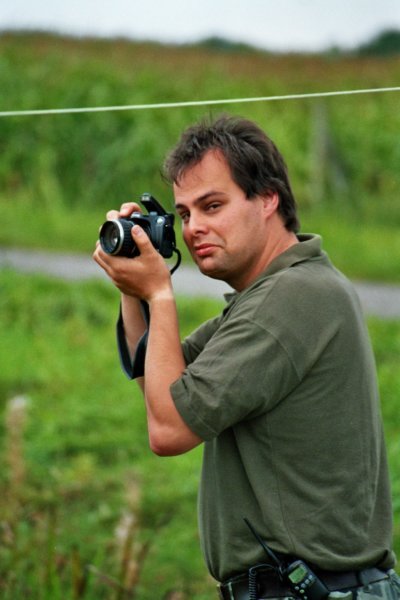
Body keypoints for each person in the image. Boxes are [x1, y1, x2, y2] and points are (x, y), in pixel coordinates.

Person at [93, 114, 399, 599]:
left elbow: (169, 430)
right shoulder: (279, 292)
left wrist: (160, 295)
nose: (195, 228)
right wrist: (133, 282)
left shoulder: (292, 299)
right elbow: (160, 382)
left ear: (268, 198)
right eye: (184, 214)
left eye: (212, 205)